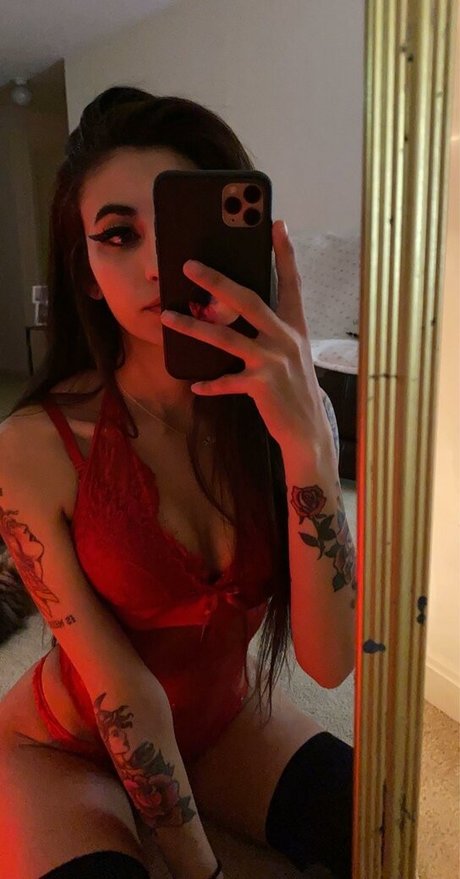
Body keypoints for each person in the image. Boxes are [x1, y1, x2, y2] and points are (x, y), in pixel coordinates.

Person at [0, 87, 354, 879]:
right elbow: (124, 690)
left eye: (179, 225)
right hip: (66, 745)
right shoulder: (32, 446)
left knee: (383, 831)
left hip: (224, 724)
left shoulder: (283, 415)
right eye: (118, 234)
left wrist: (306, 439)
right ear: (88, 275)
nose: (160, 262)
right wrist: (203, 870)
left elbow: (330, 663)